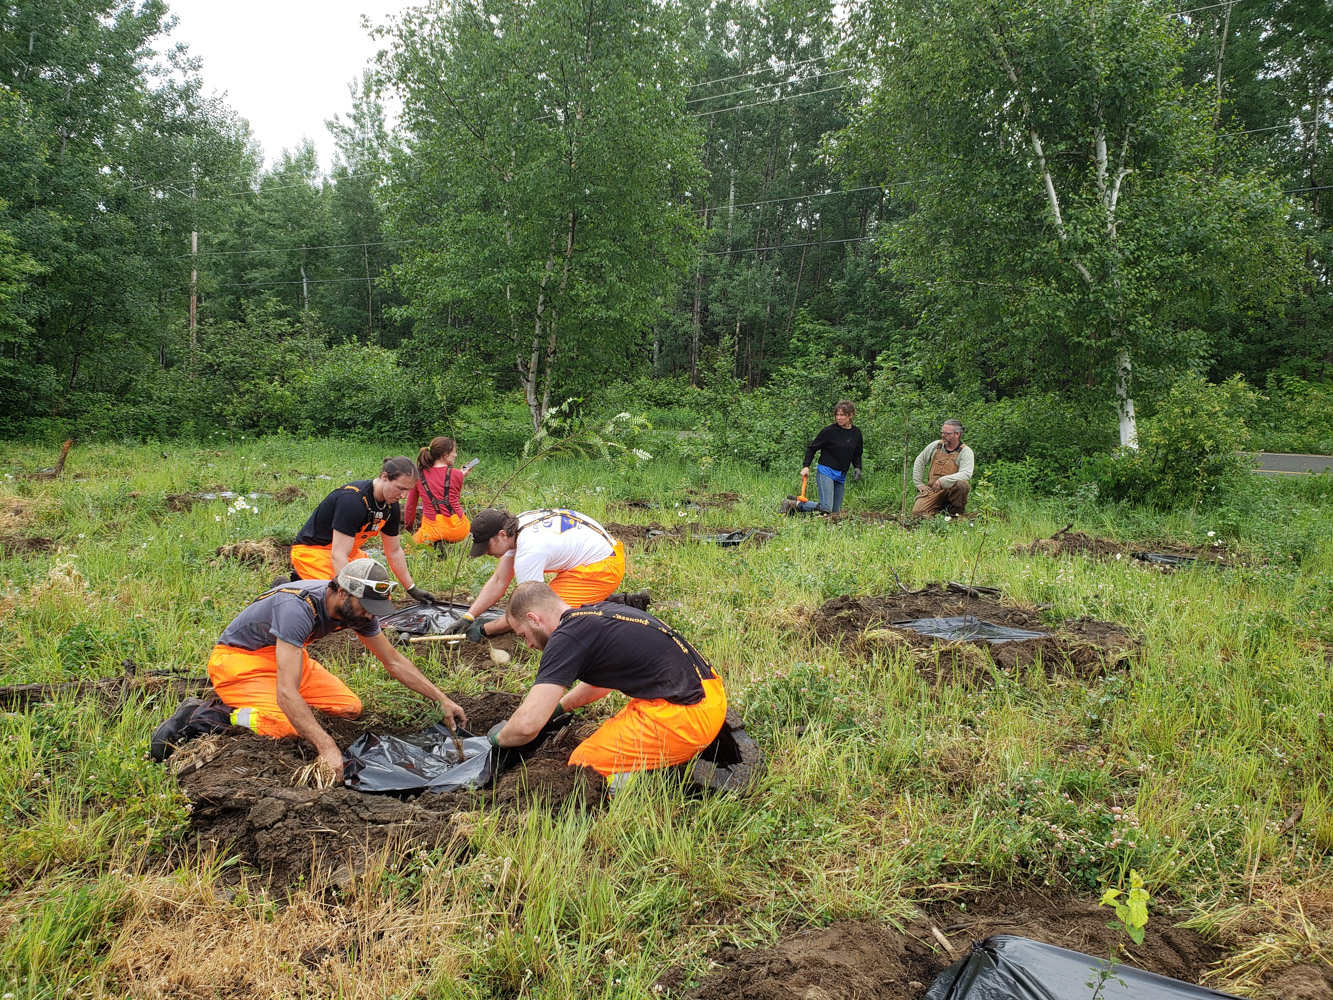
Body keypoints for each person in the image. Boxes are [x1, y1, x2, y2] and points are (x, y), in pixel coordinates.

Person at [150, 558, 468, 781]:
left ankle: (263, 707)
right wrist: (326, 746)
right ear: (343, 592)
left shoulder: (357, 613)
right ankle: (209, 714)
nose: (370, 616)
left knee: (348, 707)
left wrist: (441, 698)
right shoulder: (297, 608)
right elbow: (287, 691)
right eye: (366, 607)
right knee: (285, 727)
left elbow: (393, 660)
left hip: (286, 655)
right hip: (240, 660)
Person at [487, 581, 727, 791]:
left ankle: (646, 784)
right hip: (710, 696)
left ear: (533, 619)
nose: (527, 644)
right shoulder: (597, 613)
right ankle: (662, 757)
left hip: (684, 718)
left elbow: (528, 726)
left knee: (583, 765)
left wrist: (500, 738)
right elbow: (598, 685)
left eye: (523, 635)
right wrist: (559, 708)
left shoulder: (565, 637)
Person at [443, 507, 647, 641]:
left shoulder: (530, 550)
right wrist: (468, 617)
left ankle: (615, 605)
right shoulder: (518, 526)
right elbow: (498, 580)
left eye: (486, 546)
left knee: (552, 621)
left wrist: (485, 630)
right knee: (548, 607)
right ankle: (600, 600)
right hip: (592, 556)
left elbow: (531, 607)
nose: (485, 552)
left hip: (603, 567)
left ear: (502, 535)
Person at [288, 456, 436, 604]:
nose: (403, 496)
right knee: (339, 603)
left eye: (408, 490)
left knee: (378, 597)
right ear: (384, 477)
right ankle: (294, 586)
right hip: (313, 552)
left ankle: (306, 581)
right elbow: (338, 555)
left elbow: (394, 552)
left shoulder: (391, 507)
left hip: (349, 553)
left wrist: (412, 589)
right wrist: (350, 594)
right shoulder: (353, 500)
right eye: (401, 488)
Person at [780, 400, 863, 515]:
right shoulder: (829, 431)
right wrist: (806, 466)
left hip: (841, 474)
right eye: (837, 415)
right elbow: (812, 448)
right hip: (826, 471)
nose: (839, 418)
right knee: (825, 508)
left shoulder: (856, 433)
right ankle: (791, 503)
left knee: (835, 513)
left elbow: (857, 453)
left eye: (842, 415)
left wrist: (857, 467)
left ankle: (796, 506)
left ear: (851, 415)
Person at [404, 436, 473, 551]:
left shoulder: (418, 476)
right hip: (459, 529)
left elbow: (410, 506)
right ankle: (445, 546)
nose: (455, 455)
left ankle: (435, 545)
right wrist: (462, 474)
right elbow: (454, 497)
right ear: (445, 455)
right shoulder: (457, 474)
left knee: (407, 551)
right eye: (454, 452)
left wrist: (409, 527)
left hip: (432, 530)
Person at [911, 419, 974, 516]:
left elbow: (966, 474)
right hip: (934, 490)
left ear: (957, 434)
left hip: (952, 489)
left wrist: (942, 481)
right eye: (942, 432)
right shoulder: (936, 446)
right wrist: (919, 484)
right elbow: (920, 461)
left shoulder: (965, 452)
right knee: (918, 513)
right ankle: (940, 511)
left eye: (947, 433)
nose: (943, 435)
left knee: (962, 485)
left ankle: (955, 515)